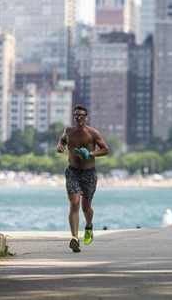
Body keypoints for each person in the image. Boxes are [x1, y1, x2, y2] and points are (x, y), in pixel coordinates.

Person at [56, 104, 109, 253]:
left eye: (81, 116)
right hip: (73, 172)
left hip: (89, 173)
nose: (78, 118)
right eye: (76, 116)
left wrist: (91, 154)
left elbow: (105, 149)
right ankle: (74, 238)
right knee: (74, 203)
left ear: (86, 117)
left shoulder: (93, 133)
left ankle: (89, 226)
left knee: (86, 207)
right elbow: (62, 140)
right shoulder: (69, 131)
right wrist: (60, 146)